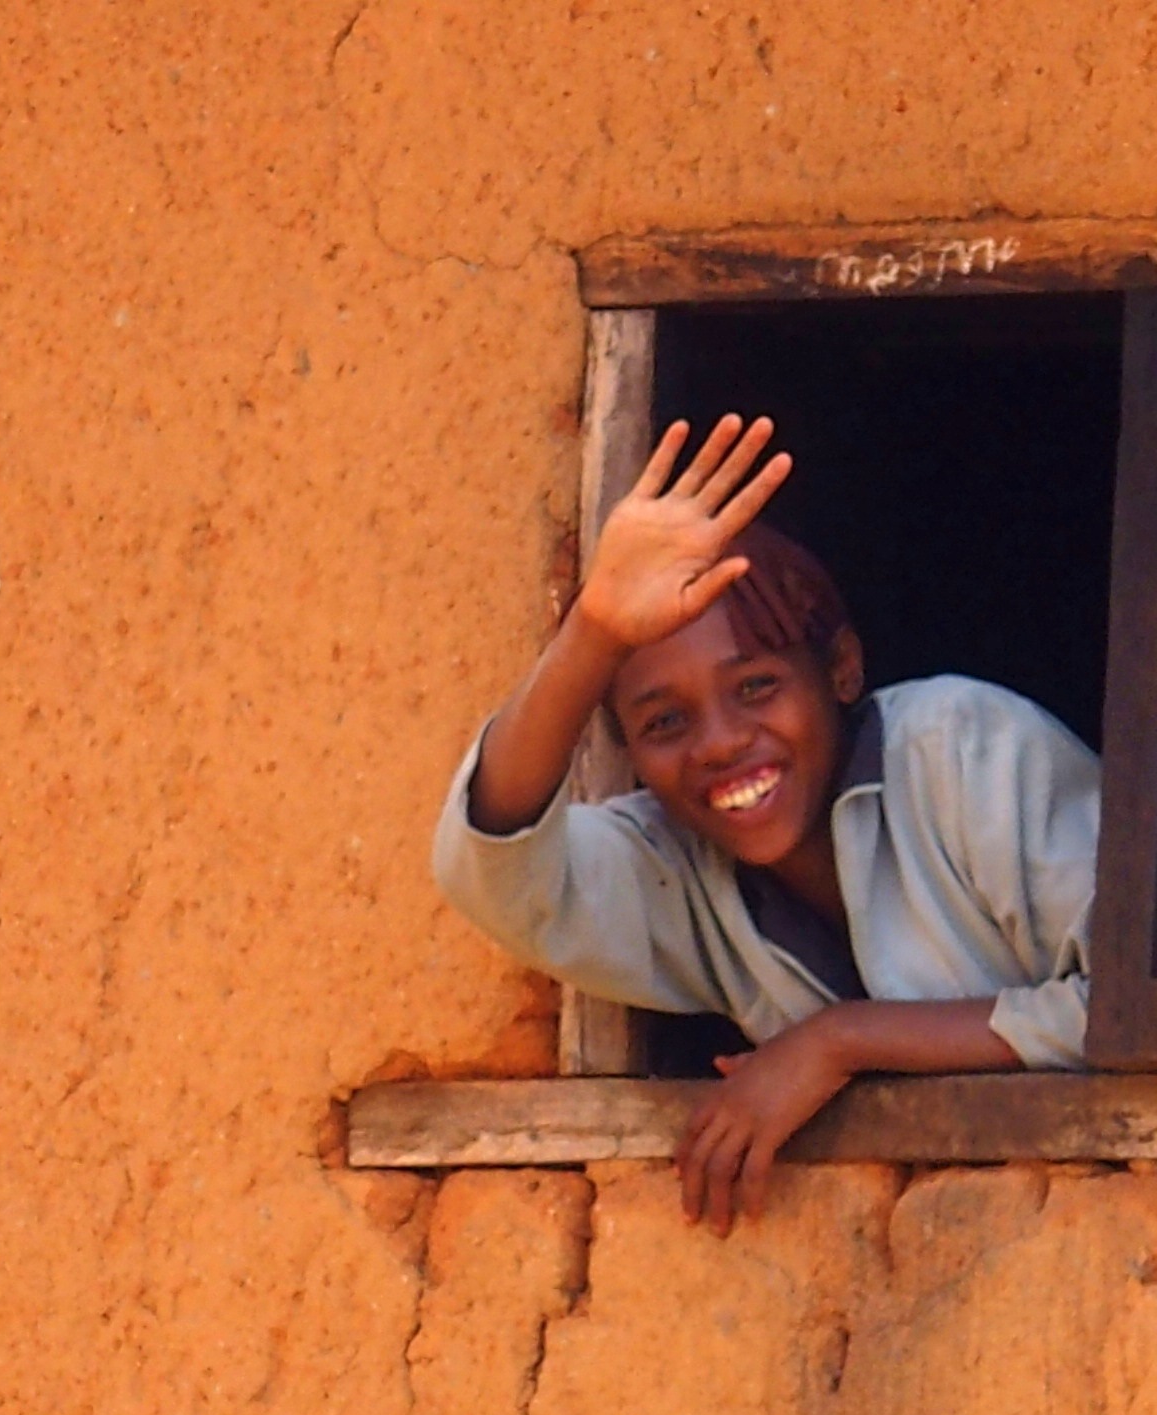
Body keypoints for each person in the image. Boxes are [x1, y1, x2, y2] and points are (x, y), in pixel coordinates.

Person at [433, 415, 1099, 1233]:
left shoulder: (966, 751)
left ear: (843, 669)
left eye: (755, 688)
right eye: (664, 724)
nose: (719, 744)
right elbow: (496, 874)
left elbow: (1140, 1009)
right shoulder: (674, 867)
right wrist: (594, 632)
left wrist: (839, 1042)